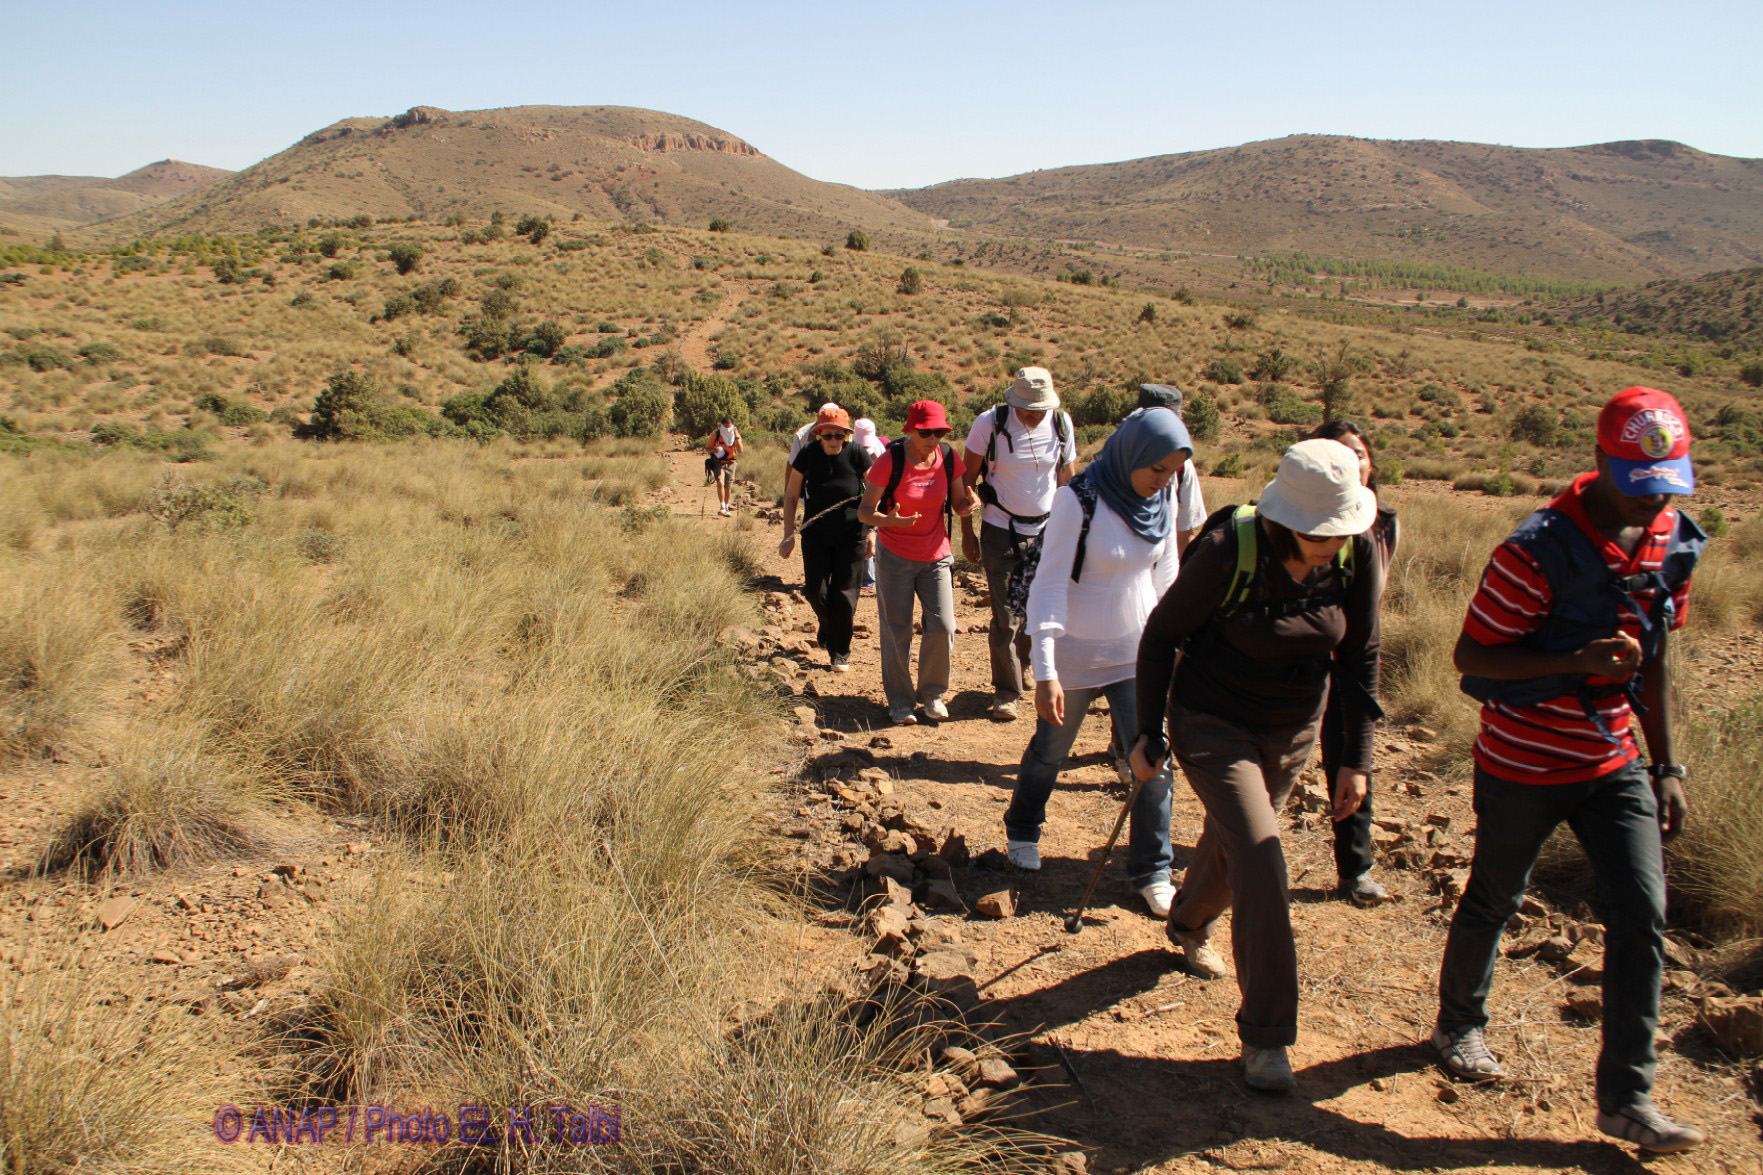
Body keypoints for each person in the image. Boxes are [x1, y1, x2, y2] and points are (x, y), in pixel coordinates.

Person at [1430, 387, 1706, 1155]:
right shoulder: (1534, 549)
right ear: (1598, 462)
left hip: (1614, 759)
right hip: (1523, 759)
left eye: (1662, 487)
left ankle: (1627, 1096)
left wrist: (1666, 764)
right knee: (1494, 895)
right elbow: (1472, 657)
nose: (1648, 504)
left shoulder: (1671, 539)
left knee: (1641, 914)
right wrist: (1571, 661)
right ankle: (1458, 1024)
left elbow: (1656, 659)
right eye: (1634, 485)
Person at [1133, 438, 1380, 1093]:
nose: (1331, 542)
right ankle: (1267, 1036)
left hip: (1291, 728)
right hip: (1212, 721)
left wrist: (1354, 758)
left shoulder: (1357, 551)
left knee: (1233, 843)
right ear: (1283, 519)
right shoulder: (1229, 552)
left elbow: (1360, 655)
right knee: (1262, 855)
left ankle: (1186, 920)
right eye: (1318, 532)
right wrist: (1143, 729)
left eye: (1338, 529)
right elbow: (1160, 633)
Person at [1003, 408, 1203, 917]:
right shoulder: (1079, 500)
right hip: (1073, 650)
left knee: (1152, 758)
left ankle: (1152, 869)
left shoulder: (1161, 499)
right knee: (1051, 750)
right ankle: (1024, 827)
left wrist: (1175, 646)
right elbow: (1047, 586)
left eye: (1173, 471)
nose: (1163, 481)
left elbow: (1165, 575)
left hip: (1138, 652)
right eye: (1156, 469)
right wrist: (1045, 670)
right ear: (1131, 454)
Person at [1309, 418, 1399, 906]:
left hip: (1353, 655)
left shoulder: (1385, 524)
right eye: (1338, 453)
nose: (1351, 462)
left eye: (1358, 454)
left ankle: (1355, 867)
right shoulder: (1300, 517)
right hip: (1302, 653)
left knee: (1351, 756)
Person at [959, 367, 1078, 721]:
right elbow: (966, 481)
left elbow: (1067, 481)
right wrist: (967, 532)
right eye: (1027, 407)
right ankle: (1007, 691)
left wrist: (1072, 532)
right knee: (1006, 616)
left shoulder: (1060, 424)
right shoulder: (989, 423)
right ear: (1014, 400)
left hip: (1047, 531)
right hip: (1000, 530)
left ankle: (1025, 668)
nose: (1033, 413)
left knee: (1038, 612)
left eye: (1039, 407)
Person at [857, 399, 974, 725]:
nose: (933, 439)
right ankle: (900, 702)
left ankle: (933, 694)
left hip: (935, 555)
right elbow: (865, 510)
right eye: (927, 432)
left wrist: (967, 506)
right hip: (895, 556)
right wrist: (888, 522)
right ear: (911, 430)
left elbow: (958, 501)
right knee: (898, 631)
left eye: (939, 432)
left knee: (943, 626)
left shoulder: (949, 457)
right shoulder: (890, 461)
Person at [779, 406, 874, 673]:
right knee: (815, 591)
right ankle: (829, 624)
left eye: (839, 436)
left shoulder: (857, 454)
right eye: (828, 435)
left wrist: (873, 532)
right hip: (816, 535)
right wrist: (788, 536)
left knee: (844, 595)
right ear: (818, 434)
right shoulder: (808, 455)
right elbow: (790, 496)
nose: (833, 441)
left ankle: (840, 652)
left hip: (852, 535)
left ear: (847, 436)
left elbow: (876, 493)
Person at [852, 417, 888, 593]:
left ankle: (875, 578)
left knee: (876, 537)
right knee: (863, 533)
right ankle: (865, 578)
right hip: (859, 496)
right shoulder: (848, 448)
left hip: (880, 497)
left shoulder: (881, 450)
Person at [705, 416, 743, 517]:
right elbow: (708, 448)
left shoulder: (735, 435)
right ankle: (722, 507)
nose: (727, 428)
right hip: (719, 462)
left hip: (731, 462)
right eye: (725, 426)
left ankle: (726, 506)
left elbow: (740, 450)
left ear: (732, 425)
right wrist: (714, 450)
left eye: (729, 426)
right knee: (720, 482)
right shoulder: (717, 434)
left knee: (728, 486)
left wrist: (737, 436)